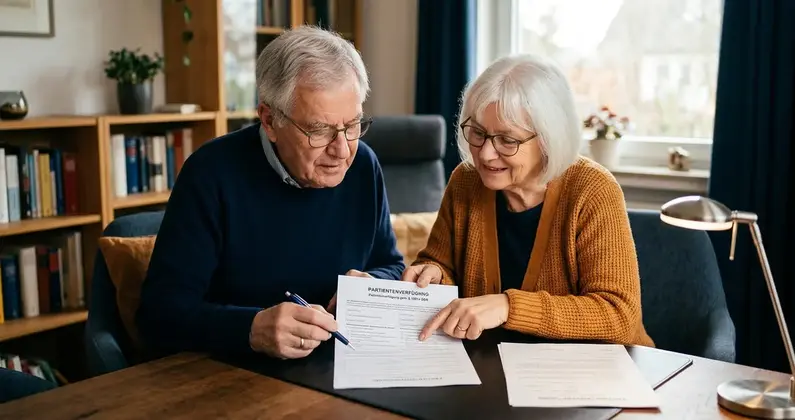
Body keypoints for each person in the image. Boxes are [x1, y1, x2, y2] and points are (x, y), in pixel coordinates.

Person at [137, 26, 405, 360]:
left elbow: (391, 263)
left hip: (337, 368)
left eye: (352, 125)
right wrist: (251, 329)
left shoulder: (363, 164)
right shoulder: (210, 173)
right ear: (269, 120)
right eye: (320, 130)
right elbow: (159, 316)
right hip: (236, 376)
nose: (342, 150)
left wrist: (370, 283)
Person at [402, 54, 654, 347]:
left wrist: (508, 307)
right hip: (494, 366)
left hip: (596, 375)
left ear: (548, 138)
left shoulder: (593, 190)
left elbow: (619, 317)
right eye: (478, 133)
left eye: (507, 140)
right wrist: (433, 275)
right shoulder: (465, 182)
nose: (484, 154)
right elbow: (441, 264)